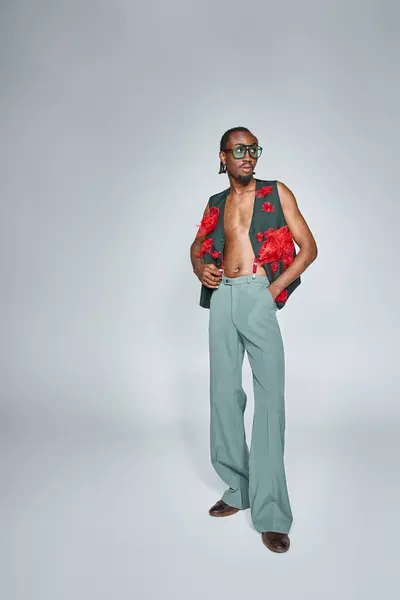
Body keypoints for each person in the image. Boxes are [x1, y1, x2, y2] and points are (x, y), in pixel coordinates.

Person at [190, 126, 318, 553]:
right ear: (222, 157)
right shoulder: (216, 202)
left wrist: (272, 289)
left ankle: (271, 511)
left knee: (269, 400)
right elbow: (197, 244)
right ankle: (237, 488)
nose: (248, 156)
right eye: (239, 150)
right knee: (223, 395)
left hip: (257, 296)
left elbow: (308, 248)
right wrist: (199, 267)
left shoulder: (276, 192)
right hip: (223, 297)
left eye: (253, 149)